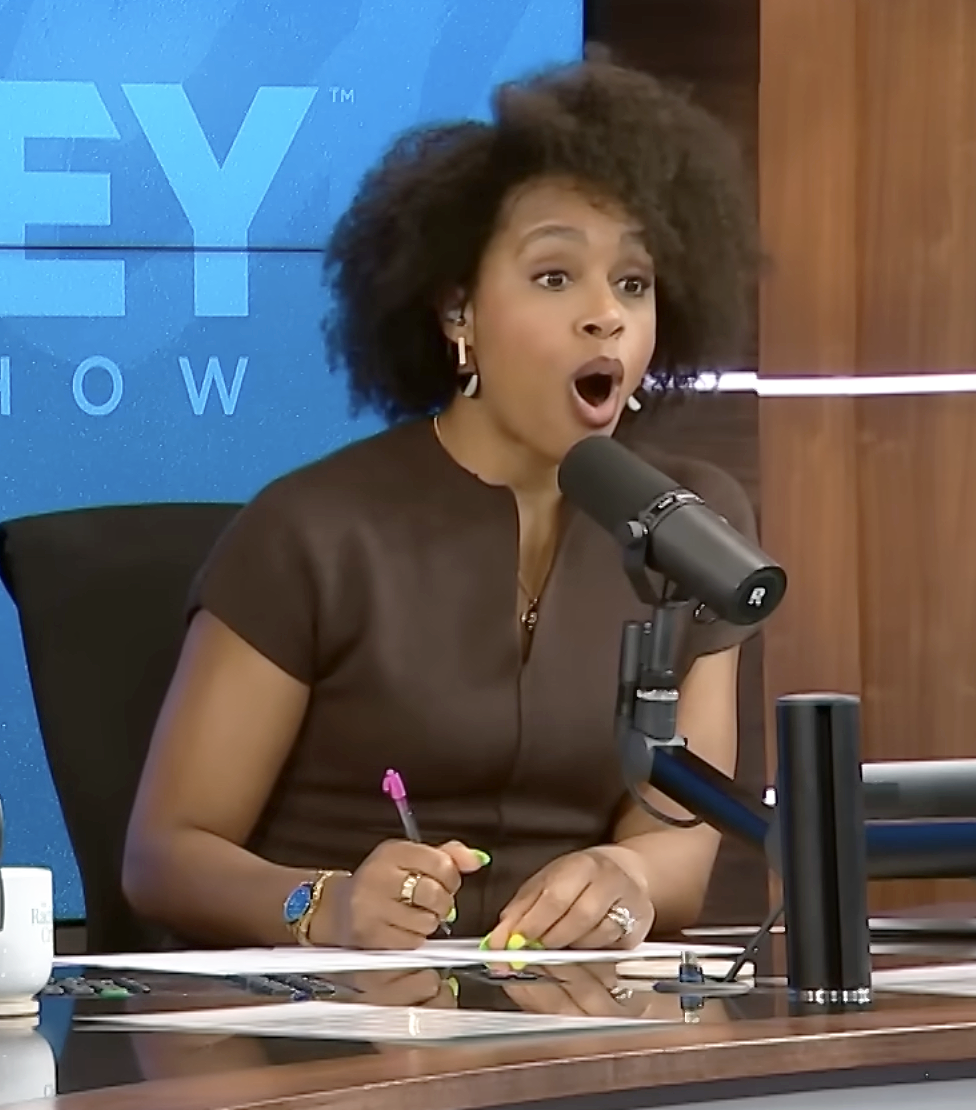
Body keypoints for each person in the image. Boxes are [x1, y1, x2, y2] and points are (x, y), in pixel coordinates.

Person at [120, 59, 764, 953]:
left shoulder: (692, 522)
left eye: (633, 284)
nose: (604, 317)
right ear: (458, 309)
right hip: (333, 1029)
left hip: (571, 1020)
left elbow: (675, 842)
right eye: (553, 277)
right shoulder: (312, 531)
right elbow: (164, 858)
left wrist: (630, 881)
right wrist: (323, 907)